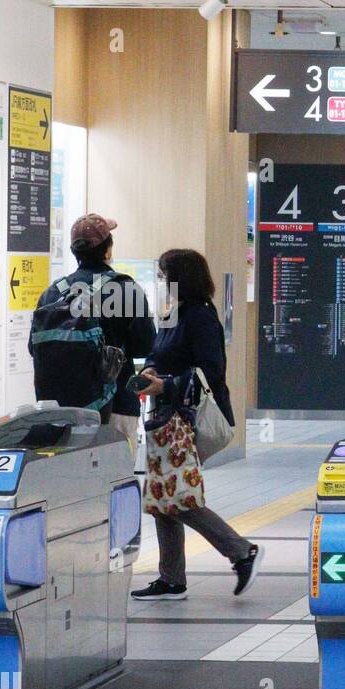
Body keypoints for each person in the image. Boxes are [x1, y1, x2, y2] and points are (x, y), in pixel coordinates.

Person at [131, 249, 261, 602]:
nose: (159, 281)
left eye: (163, 275)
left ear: (180, 278)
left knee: (179, 497)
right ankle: (171, 579)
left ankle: (240, 551)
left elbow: (211, 370)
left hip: (184, 421)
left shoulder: (201, 317)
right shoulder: (174, 314)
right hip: (165, 419)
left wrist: (167, 384)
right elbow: (159, 353)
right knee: (161, 496)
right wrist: (150, 370)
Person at [32, 214, 156, 444]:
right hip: (115, 405)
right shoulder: (125, 289)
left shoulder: (53, 293)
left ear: (74, 252)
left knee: (71, 476)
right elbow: (146, 345)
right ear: (107, 250)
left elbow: (34, 348)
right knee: (115, 477)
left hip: (61, 413)